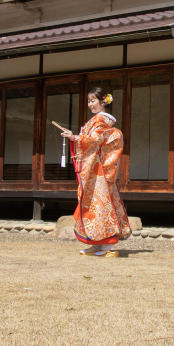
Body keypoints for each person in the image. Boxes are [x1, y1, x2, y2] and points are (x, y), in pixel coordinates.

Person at [61, 86, 131, 257]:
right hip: (95, 169)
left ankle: (107, 245)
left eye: (93, 101)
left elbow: (93, 141)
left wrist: (74, 137)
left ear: (102, 102)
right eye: (88, 101)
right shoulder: (97, 121)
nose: (90, 105)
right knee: (94, 205)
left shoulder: (100, 121)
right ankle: (95, 242)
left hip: (99, 169)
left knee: (101, 206)